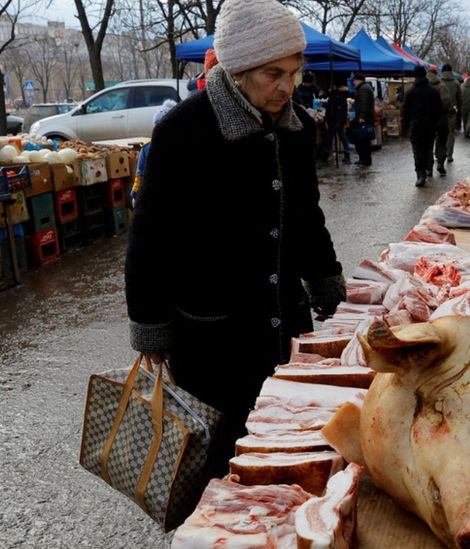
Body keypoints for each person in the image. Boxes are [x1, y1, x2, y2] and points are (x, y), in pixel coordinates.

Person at [125, 0, 346, 469]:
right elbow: (150, 235)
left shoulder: (298, 127)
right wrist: (150, 324)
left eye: (294, 71)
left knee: (289, 448)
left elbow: (306, 214)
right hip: (212, 337)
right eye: (273, 74)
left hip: (285, 321)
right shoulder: (183, 131)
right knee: (220, 459)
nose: (287, 87)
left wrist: (327, 280)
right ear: (239, 69)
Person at [403, 65, 442, 187]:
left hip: (415, 126)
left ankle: (420, 173)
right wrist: (435, 122)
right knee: (428, 148)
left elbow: (405, 111)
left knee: (417, 150)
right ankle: (427, 169)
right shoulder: (433, 91)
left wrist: (407, 125)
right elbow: (438, 109)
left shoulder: (410, 92)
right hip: (430, 125)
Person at [427, 69, 452, 176]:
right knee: (441, 142)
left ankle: (428, 168)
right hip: (441, 120)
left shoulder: (424, 87)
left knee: (428, 144)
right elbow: (446, 102)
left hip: (427, 121)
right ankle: (440, 163)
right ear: (436, 75)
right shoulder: (442, 87)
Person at [321, 81, 352, 164]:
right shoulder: (339, 94)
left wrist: (330, 120)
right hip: (338, 119)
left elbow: (334, 109)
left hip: (335, 120)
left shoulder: (337, 95)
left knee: (331, 137)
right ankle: (346, 154)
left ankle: (325, 155)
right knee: (341, 136)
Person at [438, 64, 462, 162]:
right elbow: (460, 99)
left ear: (442, 71)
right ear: (451, 71)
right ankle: (449, 155)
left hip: (439, 112)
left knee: (439, 134)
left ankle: (439, 154)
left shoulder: (439, 82)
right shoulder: (456, 83)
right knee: (450, 133)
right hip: (452, 112)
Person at [350, 73, 375, 166]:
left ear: (359, 80)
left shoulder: (363, 89)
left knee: (362, 140)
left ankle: (365, 160)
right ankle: (364, 159)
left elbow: (365, 104)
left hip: (364, 119)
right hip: (366, 117)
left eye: (354, 80)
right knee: (363, 140)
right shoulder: (364, 87)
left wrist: (362, 117)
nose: (353, 82)